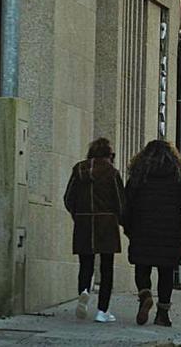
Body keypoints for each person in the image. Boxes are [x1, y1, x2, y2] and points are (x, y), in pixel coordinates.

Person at [123, 140, 181, 327]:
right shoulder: (177, 176)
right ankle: (162, 315)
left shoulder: (138, 175)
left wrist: (128, 228)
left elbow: (125, 204)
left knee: (142, 268)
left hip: (142, 231)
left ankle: (145, 294)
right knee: (166, 273)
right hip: (169, 234)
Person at [62, 137, 125, 323]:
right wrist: (120, 220)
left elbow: (68, 198)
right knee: (106, 269)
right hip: (106, 223)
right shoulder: (112, 173)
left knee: (85, 264)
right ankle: (102, 311)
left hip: (83, 223)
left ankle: (83, 291)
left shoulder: (78, 170)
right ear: (108, 155)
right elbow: (121, 202)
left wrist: (77, 214)